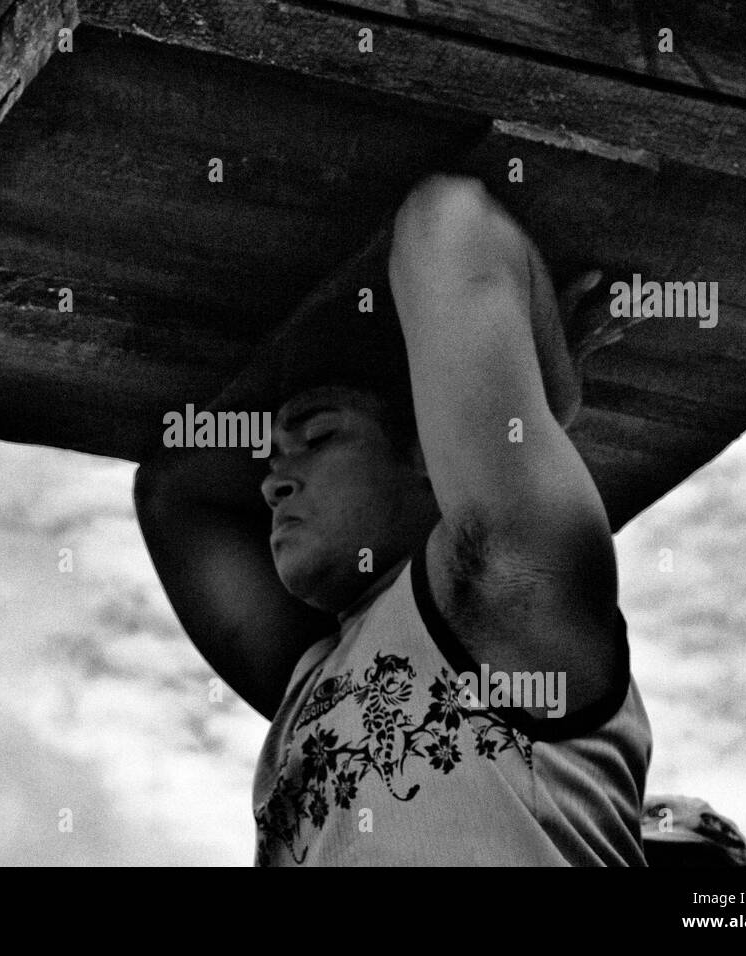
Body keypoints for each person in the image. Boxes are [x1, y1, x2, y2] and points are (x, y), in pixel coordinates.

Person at [134, 175, 652, 865]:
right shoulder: (314, 676)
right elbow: (174, 481)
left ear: (423, 457)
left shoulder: (500, 592)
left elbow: (448, 217)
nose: (271, 482)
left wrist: (545, 394)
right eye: (272, 457)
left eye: (318, 438)